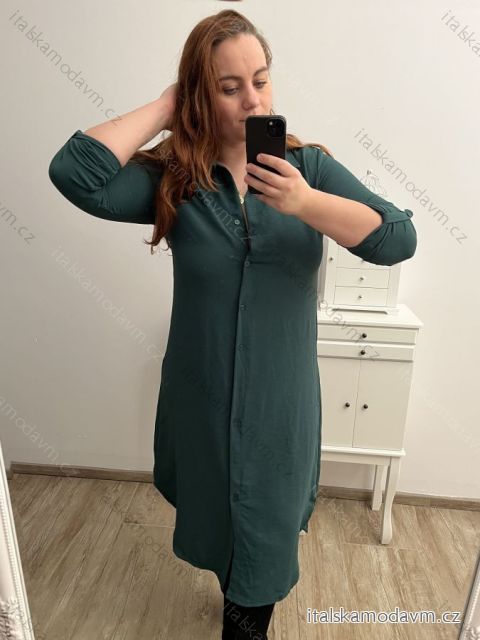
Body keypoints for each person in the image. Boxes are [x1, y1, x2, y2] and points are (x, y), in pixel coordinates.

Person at [48, 9, 417, 639]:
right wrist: (168, 106)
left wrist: (304, 203)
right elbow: (75, 174)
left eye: (262, 80)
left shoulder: (309, 170)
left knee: (264, 547)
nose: (253, 101)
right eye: (229, 87)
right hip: (202, 400)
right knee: (222, 522)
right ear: (201, 94)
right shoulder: (177, 180)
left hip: (279, 409)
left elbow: (397, 238)